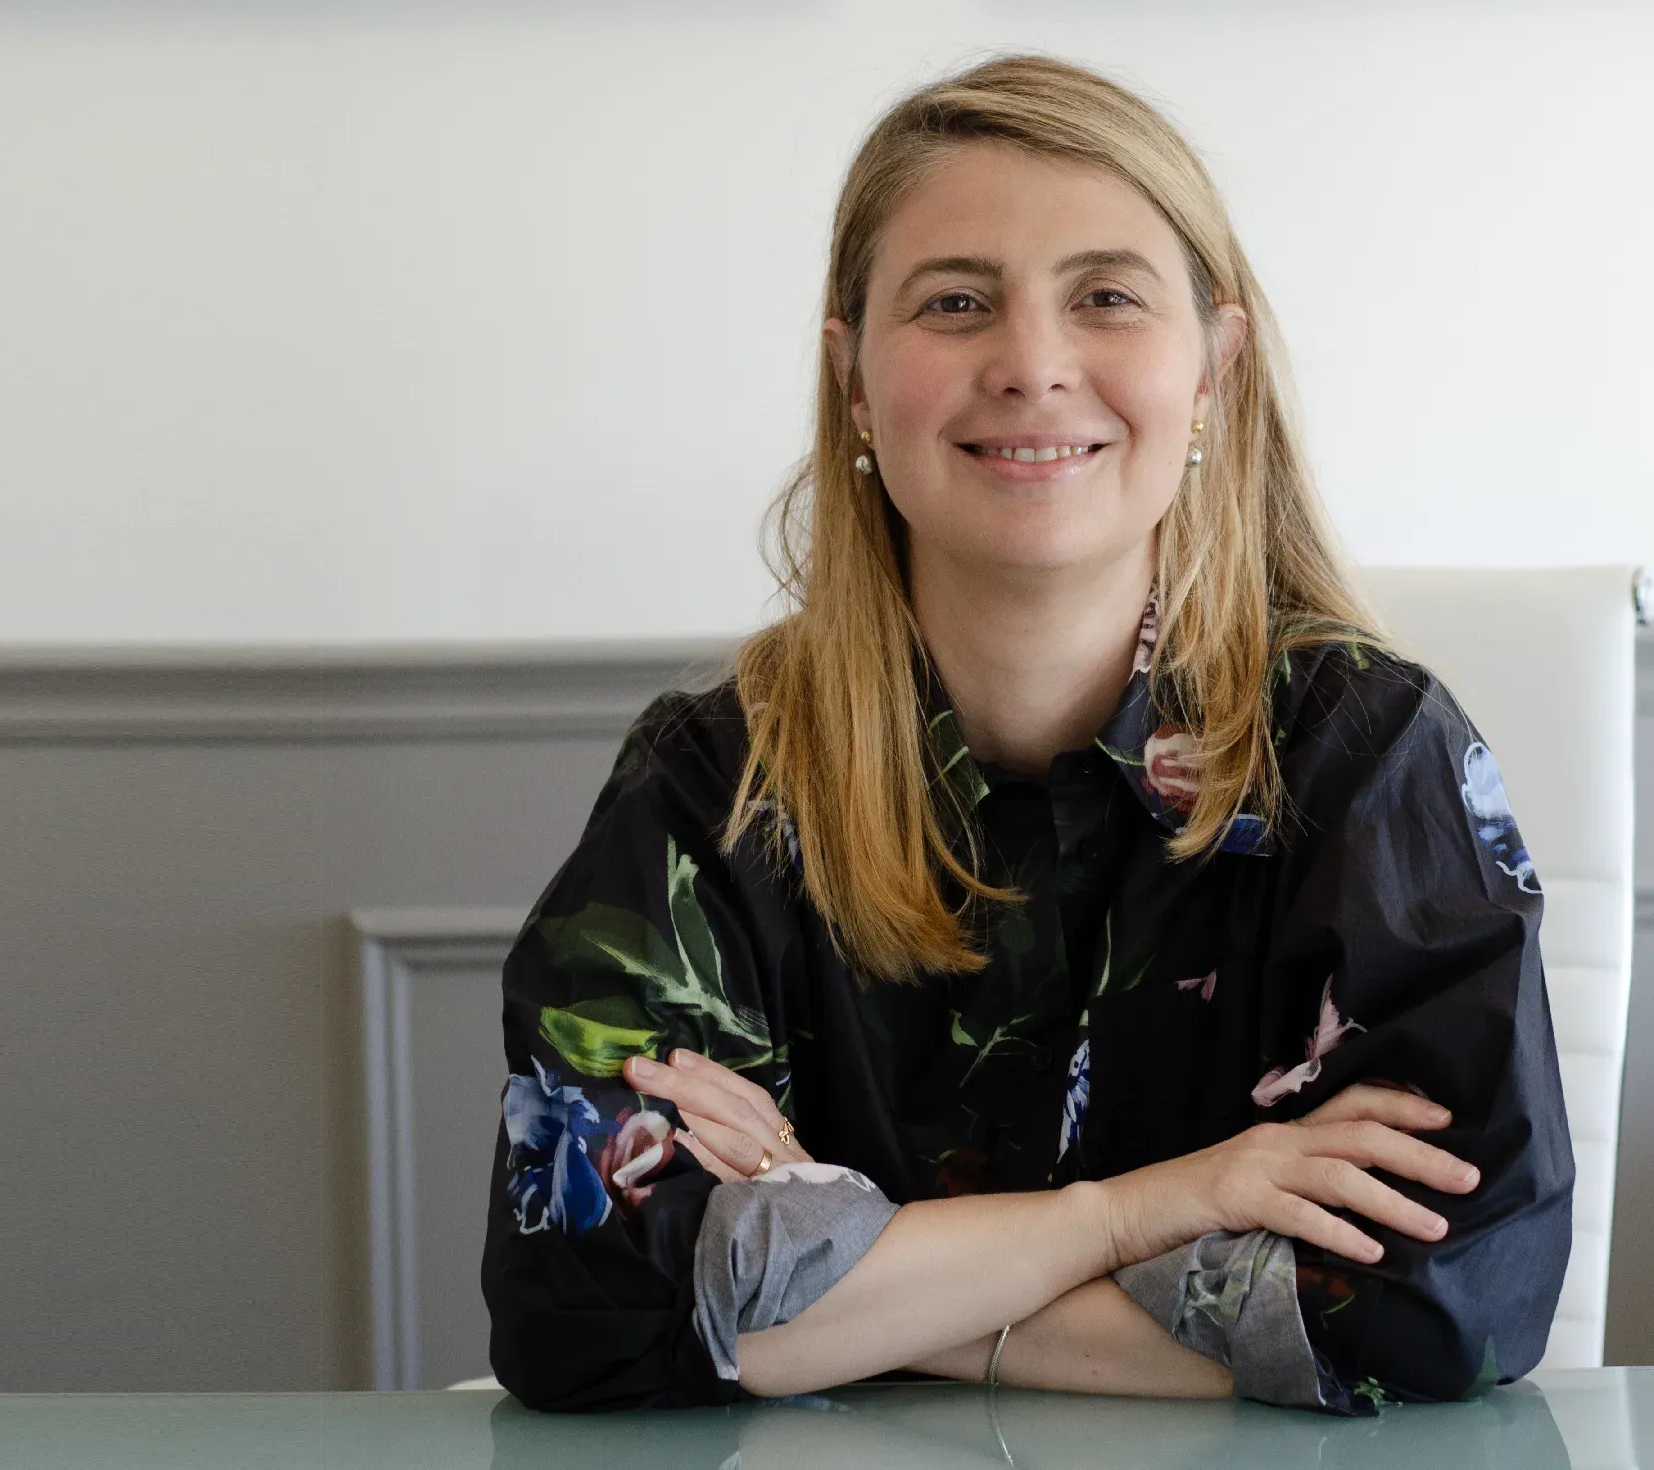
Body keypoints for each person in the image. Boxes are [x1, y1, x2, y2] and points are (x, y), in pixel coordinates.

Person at [479, 52, 1572, 1415]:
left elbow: (1444, 1305)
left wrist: (828, 1278)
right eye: (955, 302)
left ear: (1214, 369)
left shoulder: (1367, 754)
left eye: (1105, 296)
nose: (1033, 366)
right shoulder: (716, 783)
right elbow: (578, 1303)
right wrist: (1143, 1212)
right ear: (855, 381)